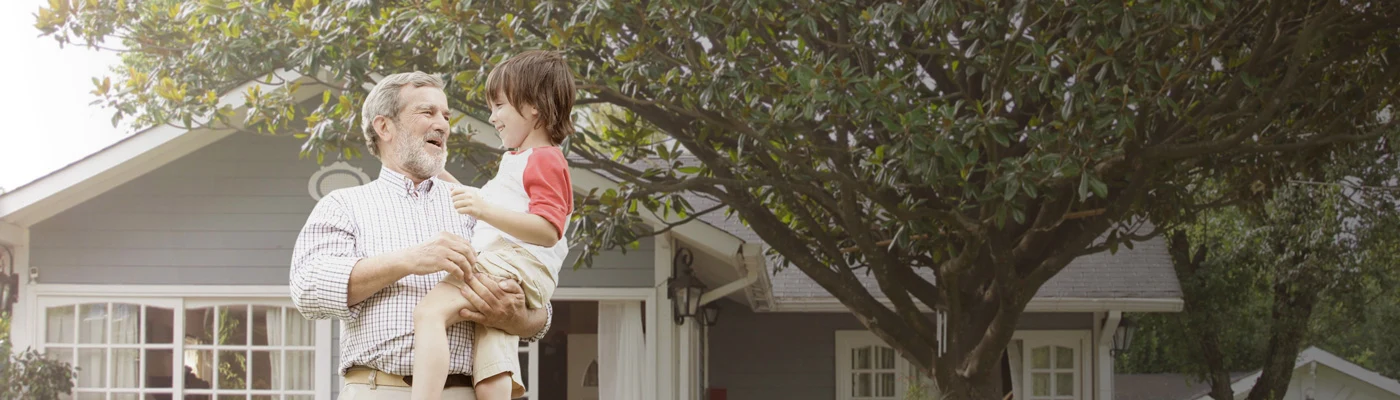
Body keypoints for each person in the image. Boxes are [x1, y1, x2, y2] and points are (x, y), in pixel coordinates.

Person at [290, 71, 551, 400]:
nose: (442, 125)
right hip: (377, 390)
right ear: (384, 127)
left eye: (446, 116)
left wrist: (517, 315)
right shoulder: (344, 205)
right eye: (427, 112)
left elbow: (540, 307)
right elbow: (308, 289)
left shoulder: (478, 206)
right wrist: (409, 260)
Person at [411, 50, 576, 400]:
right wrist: (435, 170)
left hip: (513, 261)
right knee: (491, 367)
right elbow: (480, 202)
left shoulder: (543, 159)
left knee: (429, 313)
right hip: (516, 268)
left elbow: (548, 230)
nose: (493, 116)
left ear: (534, 106)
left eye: (500, 105)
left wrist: (484, 210)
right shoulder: (521, 161)